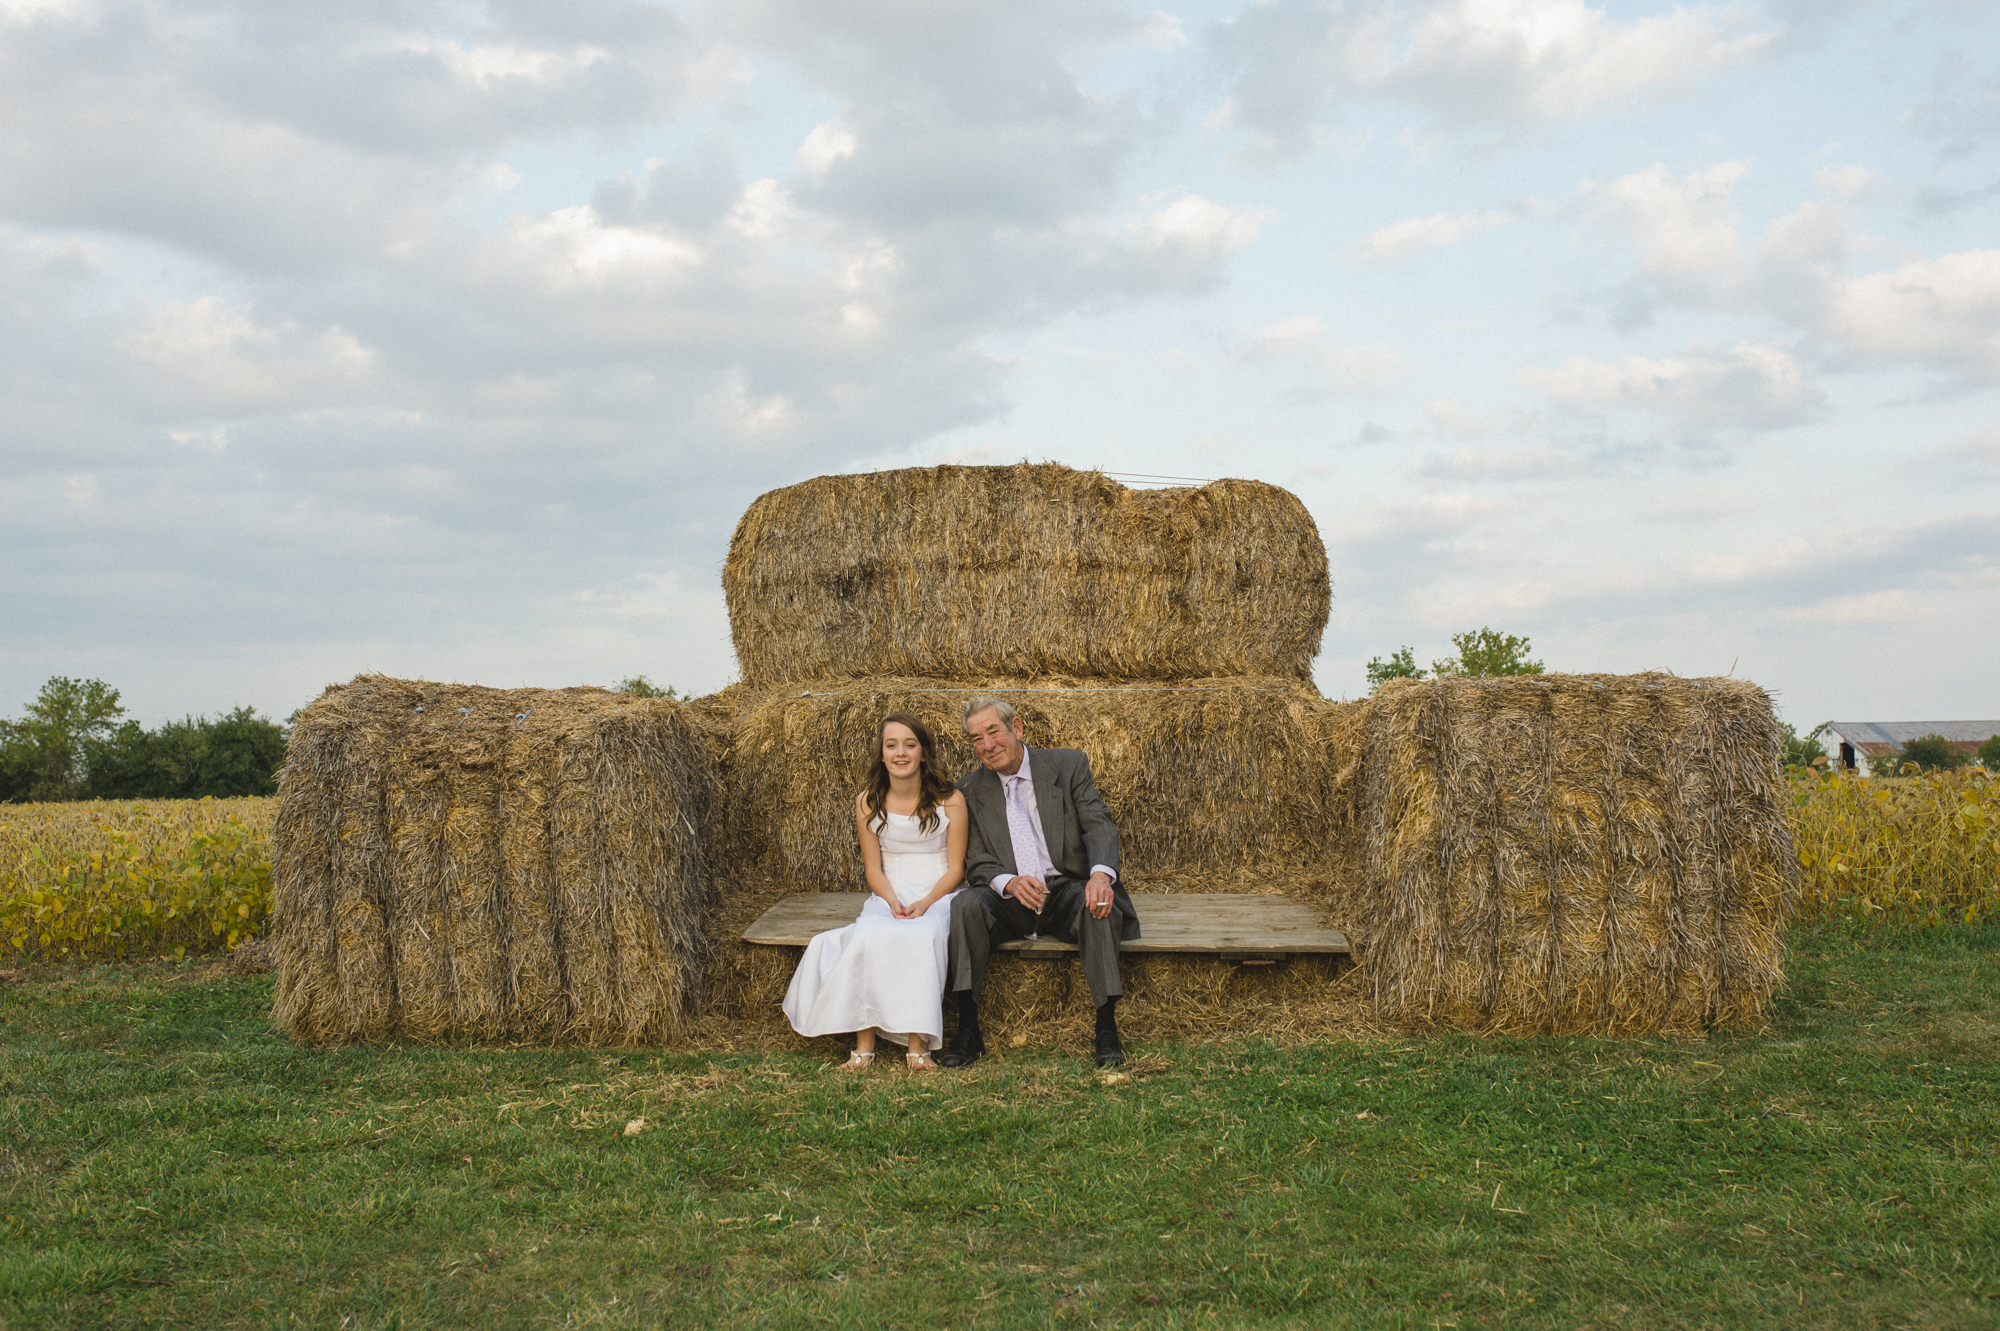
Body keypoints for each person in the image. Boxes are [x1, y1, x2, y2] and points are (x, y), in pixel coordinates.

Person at [941, 696, 1140, 1069]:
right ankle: (968, 1030)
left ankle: (1106, 1028)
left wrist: (1100, 876)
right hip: (1012, 897)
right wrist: (1010, 882)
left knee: (1097, 902)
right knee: (965, 905)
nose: (987, 745)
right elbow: (976, 858)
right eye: (976, 738)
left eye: (993, 732)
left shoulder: (1067, 766)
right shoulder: (968, 791)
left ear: (1016, 728)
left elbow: (1098, 824)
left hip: (1065, 887)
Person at [782, 712, 968, 1070]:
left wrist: (925, 902)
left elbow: (957, 870)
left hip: (938, 892)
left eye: (910, 745)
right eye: (891, 745)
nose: (901, 753)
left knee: (923, 936)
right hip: (889, 891)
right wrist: (893, 900)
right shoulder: (867, 801)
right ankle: (863, 1046)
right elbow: (873, 869)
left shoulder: (951, 800)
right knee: (868, 935)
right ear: (881, 755)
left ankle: (918, 1047)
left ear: (924, 753)